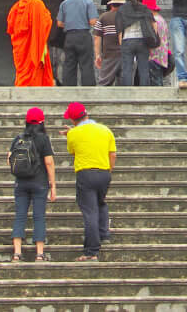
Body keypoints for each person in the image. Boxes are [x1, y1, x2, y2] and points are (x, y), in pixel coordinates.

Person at [59, 102, 116, 261]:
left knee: (89, 211)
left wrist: (71, 134)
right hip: (104, 172)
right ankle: (104, 234)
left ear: (72, 120)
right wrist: (108, 171)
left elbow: (73, 151)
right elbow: (112, 154)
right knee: (101, 201)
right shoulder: (105, 130)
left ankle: (92, 250)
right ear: (86, 114)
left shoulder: (73, 133)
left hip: (85, 173)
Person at [7, 107, 56, 262]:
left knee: (20, 216)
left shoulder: (19, 138)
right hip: (39, 182)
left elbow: (9, 157)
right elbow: (49, 162)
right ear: (42, 122)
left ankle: (16, 253)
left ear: (26, 121)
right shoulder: (43, 139)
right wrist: (53, 184)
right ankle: (40, 254)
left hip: (21, 183)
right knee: (39, 216)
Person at [6, 0, 55, 87]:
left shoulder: (14, 8)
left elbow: (11, 29)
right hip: (34, 47)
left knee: (22, 72)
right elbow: (45, 22)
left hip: (21, 49)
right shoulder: (36, 3)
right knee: (35, 74)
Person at [56, 0, 99, 87]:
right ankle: (88, 92)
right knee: (86, 65)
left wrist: (70, 23)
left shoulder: (64, 3)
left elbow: (59, 23)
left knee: (69, 65)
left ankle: (69, 91)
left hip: (69, 36)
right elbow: (93, 21)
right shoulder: (88, 2)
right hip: (84, 35)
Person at [115, 0, 157, 88]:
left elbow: (119, 29)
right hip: (142, 41)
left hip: (127, 41)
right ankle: (144, 93)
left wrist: (121, 44)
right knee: (143, 68)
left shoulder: (121, 10)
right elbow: (154, 24)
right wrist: (152, 40)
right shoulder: (144, 8)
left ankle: (127, 93)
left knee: (127, 68)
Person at [93, 0, 124, 87]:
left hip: (108, 55)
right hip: (125, 55)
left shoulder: (103, 17)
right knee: (124, 86)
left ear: (111, 5)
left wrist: (97, 55)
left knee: (104, 84)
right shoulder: (126, 17)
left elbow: (97, 38)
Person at [143, 0, 172, 86]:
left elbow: (150, 38)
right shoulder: (161, 19)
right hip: (162, 56)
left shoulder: (152, 21)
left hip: (153, 56)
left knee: (154, 84)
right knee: (158, 81)